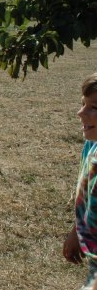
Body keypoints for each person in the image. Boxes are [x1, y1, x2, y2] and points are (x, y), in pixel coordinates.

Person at [63, 72, 97, 290]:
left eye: (94, 107)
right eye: (83, 104)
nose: (80, 112)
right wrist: (77, 230)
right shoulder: (92, 145)